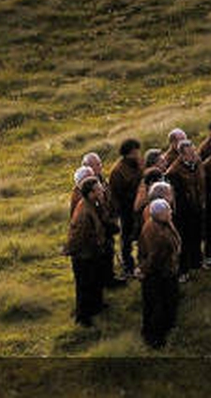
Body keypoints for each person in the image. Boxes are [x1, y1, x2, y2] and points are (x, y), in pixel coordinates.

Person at [65, 175, 107, 326]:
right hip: (84, 256)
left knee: (94, 282)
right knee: (84, 286)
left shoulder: (92, 204)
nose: (102, 191)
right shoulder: (84, 212)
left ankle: (95, 307)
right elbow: (82, 239)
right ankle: (83, 317)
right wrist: (96, 246)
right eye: (98, 190)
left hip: (91, 253)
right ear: (90, 193)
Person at [139, 198, 180, 348]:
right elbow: (154, 259)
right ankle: (154, 338)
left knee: (160, 304)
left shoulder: (157, 223)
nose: (171, 212)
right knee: (157, 306)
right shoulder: (158, 235)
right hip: (159, 275)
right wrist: (143, 271)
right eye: (168, 211)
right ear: (160, 215)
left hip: (164, 271)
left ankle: (161, 328)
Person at [166, 140, 207, 274]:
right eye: (190, 153)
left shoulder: (198, 163)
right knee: (185, 240)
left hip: (197, 206)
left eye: (194, 152)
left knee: (197, 236)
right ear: (182, 155)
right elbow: (178, 198)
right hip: (184, 212)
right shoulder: (174, 172)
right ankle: (183, 269)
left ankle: (197, 261)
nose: (194, 155)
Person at [108, 139, 144, 280]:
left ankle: (141, 263)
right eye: (136, 151)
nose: (138, 153)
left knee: (142, 236)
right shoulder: (118, 171)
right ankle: (128, 266)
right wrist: (118, 213)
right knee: (127, 238)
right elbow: (115, 195)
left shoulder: (139, 163)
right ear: (130, 153)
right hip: (127, 210)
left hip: (139, 207)